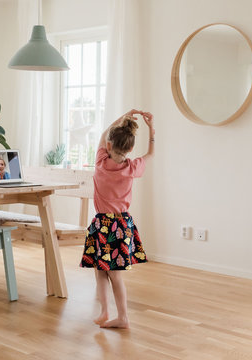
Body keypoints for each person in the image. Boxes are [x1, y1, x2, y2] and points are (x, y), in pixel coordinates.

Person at [80, 109, 154, 329]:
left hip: (102, 224)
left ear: (109, 145)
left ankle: (122, 317)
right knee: (103, 270)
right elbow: (151, 154)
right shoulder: (131, 167)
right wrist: (151, 129)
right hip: (121, 224)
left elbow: (104, 134)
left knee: (107, 273)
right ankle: (105, 312)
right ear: (131, 148)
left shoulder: (101, 161)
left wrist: (124, 116)